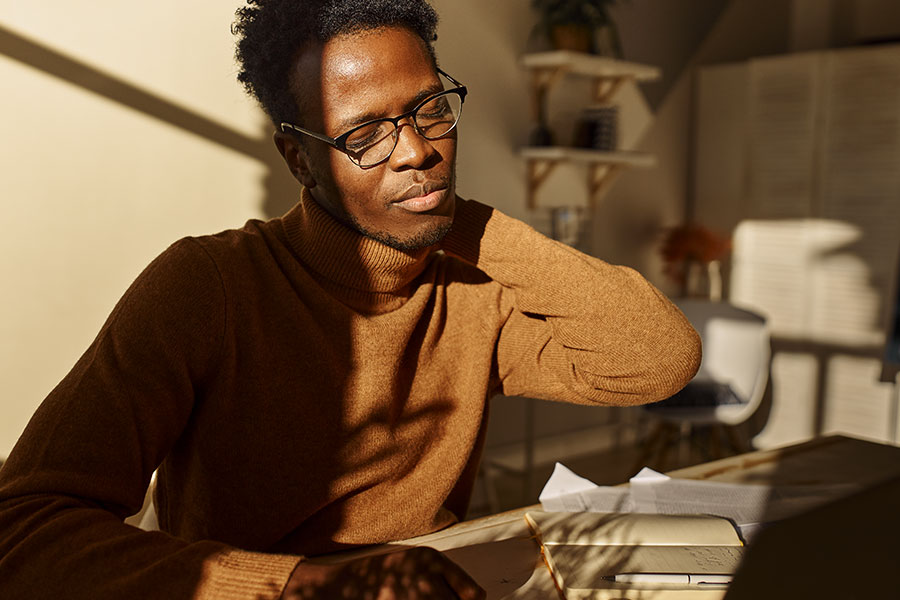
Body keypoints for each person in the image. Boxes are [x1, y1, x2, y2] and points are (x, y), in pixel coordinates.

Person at [0, 1, 701, 598]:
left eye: (430, 110)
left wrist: (464, 223)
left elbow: (659, 360)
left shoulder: (468, 288)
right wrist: (312, 588)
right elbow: (23, 530)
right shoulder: (208, 287)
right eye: (364, 134)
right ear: (299, 160)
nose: (415, 152)